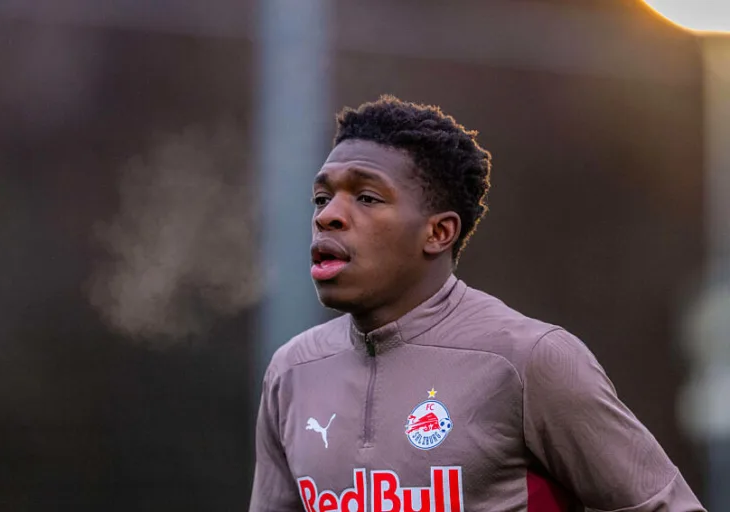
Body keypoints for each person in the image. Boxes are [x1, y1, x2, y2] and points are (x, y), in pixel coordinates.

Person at [249, 96, 705, 511]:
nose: (327, 215)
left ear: (438, 232)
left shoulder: (529, 360)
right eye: (322, 198)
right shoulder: (291, 372)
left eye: (367, 197)